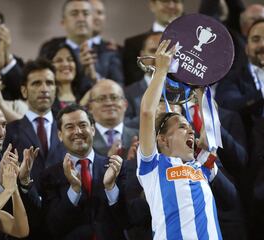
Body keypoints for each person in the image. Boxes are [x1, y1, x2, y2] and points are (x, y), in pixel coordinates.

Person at [137, 40, 222, 239]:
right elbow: (147, 113)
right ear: (162, 139)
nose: (191, 132)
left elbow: (211, 124)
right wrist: (161, 71)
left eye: (190, 127)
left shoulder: (201, 166)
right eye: (183, 127)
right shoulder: (152, 166)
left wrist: (200, 85)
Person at [41, 104, 127, 239]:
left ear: (92, 129)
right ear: (60, 135)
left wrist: (110, 188)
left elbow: (128, 219)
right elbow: (54, 226)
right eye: (70, 127)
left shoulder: (116, 167)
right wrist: (74, 190)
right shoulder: (50, 176)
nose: (78, 131)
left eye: (82, 125)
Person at [3, 59, 67, 239]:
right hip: (26, 222)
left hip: (65, 221)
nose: (44, 88)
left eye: (49, 83)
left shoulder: (70, 128)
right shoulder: (9, 131)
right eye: (37, 83)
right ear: (24, 90)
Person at [39, 0, 124, 91]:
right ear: (63, 22)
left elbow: (119, 89)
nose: (81, 18)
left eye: (86, 13)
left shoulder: (109, 52)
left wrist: (94, 77)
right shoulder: (49, 49)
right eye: (74, 14)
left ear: (93, 20)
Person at [123, 0, 184, 86]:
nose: (171, 6)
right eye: (165, 1)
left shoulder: (194, 44)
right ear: (152, 5)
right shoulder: (133, 44)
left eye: (176, 1)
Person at [88, 79, 138, 160]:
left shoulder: (140, 137)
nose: (109, 103)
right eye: (101, 99)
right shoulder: (84, 140)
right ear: (90, 107)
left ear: (125, 104)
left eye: (114, 97)